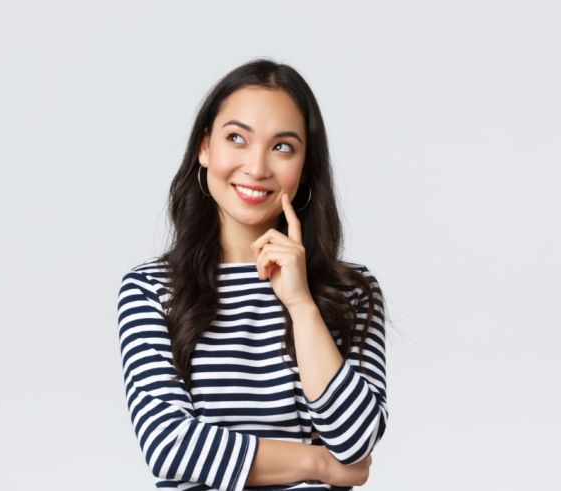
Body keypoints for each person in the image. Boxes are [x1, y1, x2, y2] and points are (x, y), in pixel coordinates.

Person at [116, 58, 389, 490]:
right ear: (205, 148)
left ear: (305, 165)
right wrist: (319, 464)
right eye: (237, 138)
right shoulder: (151, 289)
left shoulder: (350, 291)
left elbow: (355, 442)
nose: (257, 167)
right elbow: (169, 445)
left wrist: (301, 304)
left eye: (282, 147)